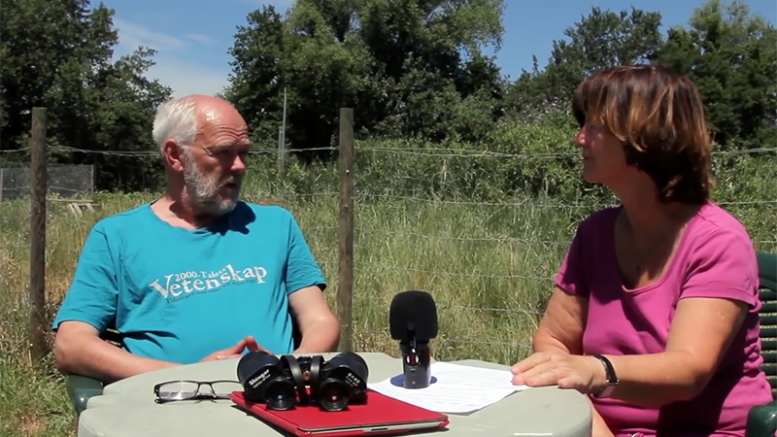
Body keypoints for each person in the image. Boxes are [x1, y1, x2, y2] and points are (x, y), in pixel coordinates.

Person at [509, 65, 772, 437]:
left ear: (643, 134)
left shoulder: (718, 240)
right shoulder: (594, 234)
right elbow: (553, 344)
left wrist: (596, 371)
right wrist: (595, 427)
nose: (578, 139)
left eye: (593, 127)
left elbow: (688, 370)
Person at [52, 94, 341, 384]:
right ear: (175, 155)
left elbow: (319, 320)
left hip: (277, 396)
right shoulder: (117, 237)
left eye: (244, 153)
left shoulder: (275, 224)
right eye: (224, 151)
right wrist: (190, 377)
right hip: (172, 406)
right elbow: (71, 346)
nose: (239, 165)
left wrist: (290, 367)